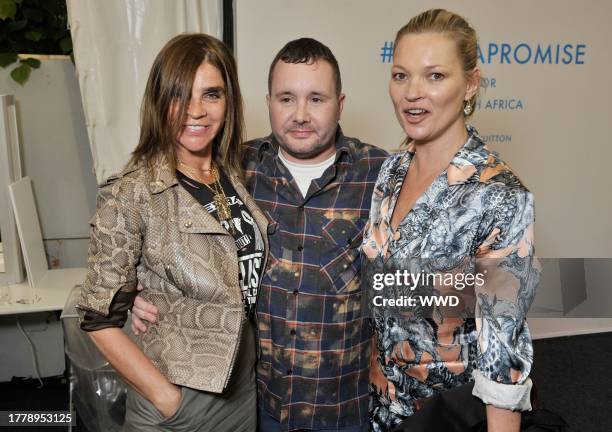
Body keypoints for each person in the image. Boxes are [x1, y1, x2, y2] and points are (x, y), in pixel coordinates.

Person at [132, 38, 388, 431]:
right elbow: (155, 228)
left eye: (316, 99)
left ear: (341, 102)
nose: (300, 114)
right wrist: (136, 288)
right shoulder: (233, 169)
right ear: (268, 101)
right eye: (287, 98)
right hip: (258, 406)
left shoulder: (380, 174)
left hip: (345, 409)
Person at [77, 33, 268, 431]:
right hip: (179, 399)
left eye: (211, 95)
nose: (194, 111)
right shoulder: (132, 192)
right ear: (159, 101)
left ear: (228, 100)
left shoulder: (234, 172)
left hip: (243, 389)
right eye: (180, 95)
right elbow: (98, 318)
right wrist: (169, 401)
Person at [361, 9, 539, 432]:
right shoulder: (391, 171)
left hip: (449, 417)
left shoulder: (499, 194)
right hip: (382, 408)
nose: (412, 93)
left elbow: (503, 350)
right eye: (401, 75)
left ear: (471, 84)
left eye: (435, 76)